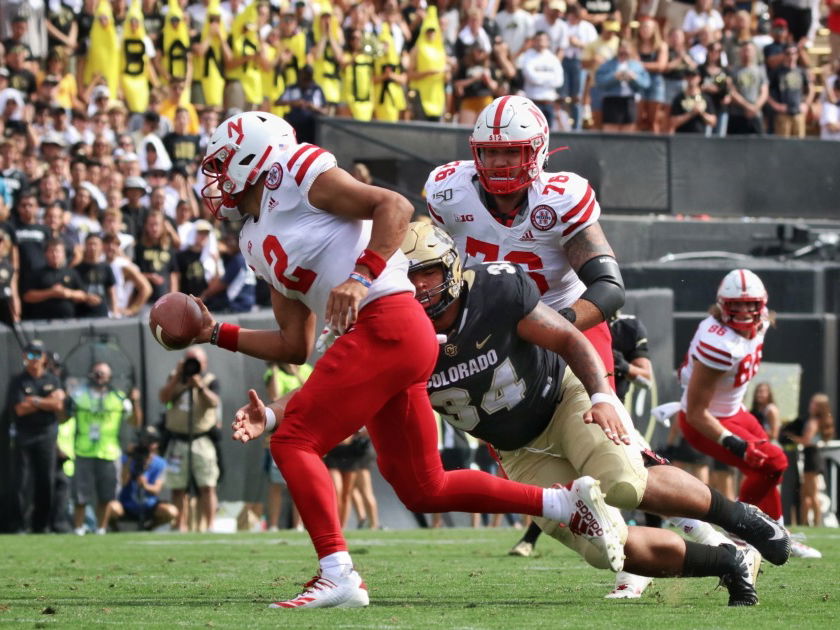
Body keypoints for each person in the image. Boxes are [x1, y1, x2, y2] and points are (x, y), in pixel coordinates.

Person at [195, 110, 624, 609]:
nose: (216, 178)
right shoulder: (251, 239)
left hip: (388, 319)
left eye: (223, 164)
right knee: (425, 487)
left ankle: (337, 573)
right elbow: (294, 345)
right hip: (379, 338)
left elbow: (393, 207)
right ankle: (564, 503)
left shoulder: (295, 173)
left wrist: (361, 275)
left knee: (293, 441)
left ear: (255, 156)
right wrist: (214, 333)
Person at [402, 223, 790, 605]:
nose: (420, 286)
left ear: (451, 266)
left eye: (428, 271)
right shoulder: (395, 335)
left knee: (624, 483)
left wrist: (602, 396)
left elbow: (568, 338)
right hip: (516, 449)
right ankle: (730, 560)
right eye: (409, 277)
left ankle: (741, 517)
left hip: (563, 401)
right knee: (607, 549)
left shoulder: (495, 289)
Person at [677, 269, 819, 559]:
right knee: (775, 461)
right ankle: (738, 524)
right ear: (721, 305)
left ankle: (779, 536)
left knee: (771, 468)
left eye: (750, 304)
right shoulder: (719, 343)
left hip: (734, 411)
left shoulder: (762, 323)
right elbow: (695, 413)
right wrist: (733, 441)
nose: (743, 311)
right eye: (736, 305)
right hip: (708, 422)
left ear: (761, 305)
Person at [67, 360, 142, 535]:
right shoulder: (79, 395)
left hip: (108, 452)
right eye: (97, 373)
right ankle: (78, 529)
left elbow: (136, 422)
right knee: (80, 495)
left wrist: (136, 402)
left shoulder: (119, 398)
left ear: (109, 376)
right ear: (90, 375)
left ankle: (101, 529)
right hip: (83, 450)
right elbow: (64, 417)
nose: (100, 376)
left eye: (103, 373)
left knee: (107, 495)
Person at [158, 347, 221, 533]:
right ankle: (180, 525)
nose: (192, 364)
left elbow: (214, 403)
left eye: (196, 361)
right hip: (178, 440)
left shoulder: (210, 380)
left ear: (204, 364)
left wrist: (199, 386)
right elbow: (164, 398)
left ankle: (210, 525)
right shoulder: (175, 377)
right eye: (189, 360)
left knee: (207, 485)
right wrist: (179, 377)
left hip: (202, 440)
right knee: (177, 487)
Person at [10, 340, 66, 533]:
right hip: (24, 435)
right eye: (29, 355)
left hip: (46, 435)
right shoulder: (18, 380)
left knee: (46, 481)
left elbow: (58, 406)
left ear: (44, 358)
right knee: (21, 482)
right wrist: (46, 401)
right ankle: (19, 525)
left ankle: (41, 525)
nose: (32, 359)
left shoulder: (53, 379)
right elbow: (20, 409)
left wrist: (33, 400)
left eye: (37, 355)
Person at [107, 425, 179, 530]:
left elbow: (157, 489)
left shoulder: (160, 463)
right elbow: (122, 482)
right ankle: (115, 530)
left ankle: (148, 528)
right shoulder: (127, 459)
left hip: (149, 506)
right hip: (126, 505)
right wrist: (130, 456)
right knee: (110, 507)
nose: (149, 445)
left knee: (171, 511)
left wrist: (145, 486)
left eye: (153, 441)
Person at [782, 393, 833, 537]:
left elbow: (806, 440)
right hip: (811, 457)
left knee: (812, 493)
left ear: (819, 407)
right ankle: (806, 523)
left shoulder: (813, 422)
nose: (810, 405)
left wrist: (791, 437)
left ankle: (817, 522)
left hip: (812, 457)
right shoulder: (817, 421)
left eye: (813, 403)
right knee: (806, 493)